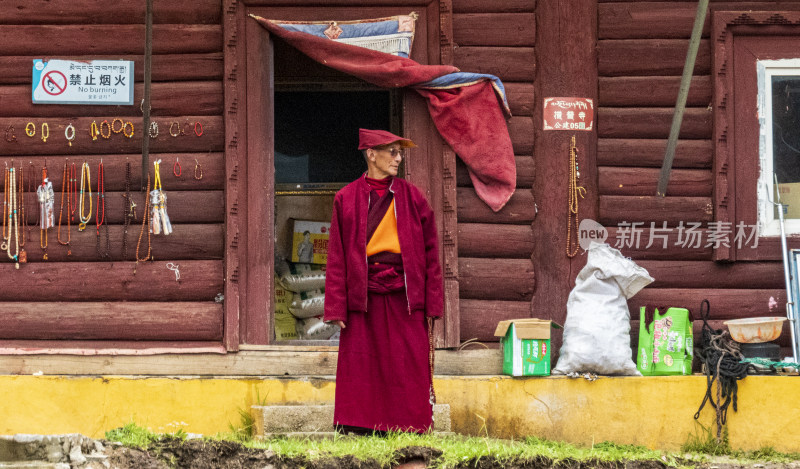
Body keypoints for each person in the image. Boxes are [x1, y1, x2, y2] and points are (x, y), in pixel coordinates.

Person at [324, 128, 443, 435]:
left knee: (408, 360)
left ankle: (411, 424)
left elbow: (431, 251)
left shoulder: (412, 196)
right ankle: (360, 425)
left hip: (404, 291)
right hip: (364, 291)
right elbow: (336, 256)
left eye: (400, 153)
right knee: (362, 362)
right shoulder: (346, 199)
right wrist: (337, 307)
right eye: (392, 152)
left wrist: (432, 300)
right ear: (371, 154)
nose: (398, 158)